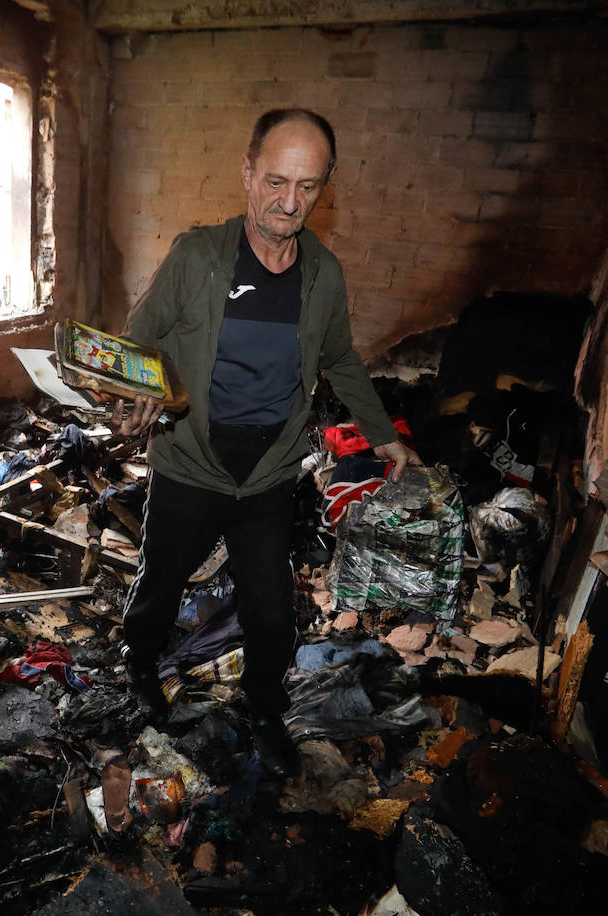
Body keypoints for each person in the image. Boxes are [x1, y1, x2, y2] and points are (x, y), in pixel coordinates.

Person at [111, 108, 421, 779]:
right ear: (248, 172)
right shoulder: (197, 257)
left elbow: (339, 359)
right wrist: (131, 400)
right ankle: (138, 670)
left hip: (268, 478)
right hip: (190, 465)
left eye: (307, 187)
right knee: (158, 587)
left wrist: (383, 435)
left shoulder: (322, 276)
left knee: (272, 612)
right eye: (276, 181)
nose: (289, 202)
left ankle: (263, 707)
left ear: (323, 187)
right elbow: (139, 341)